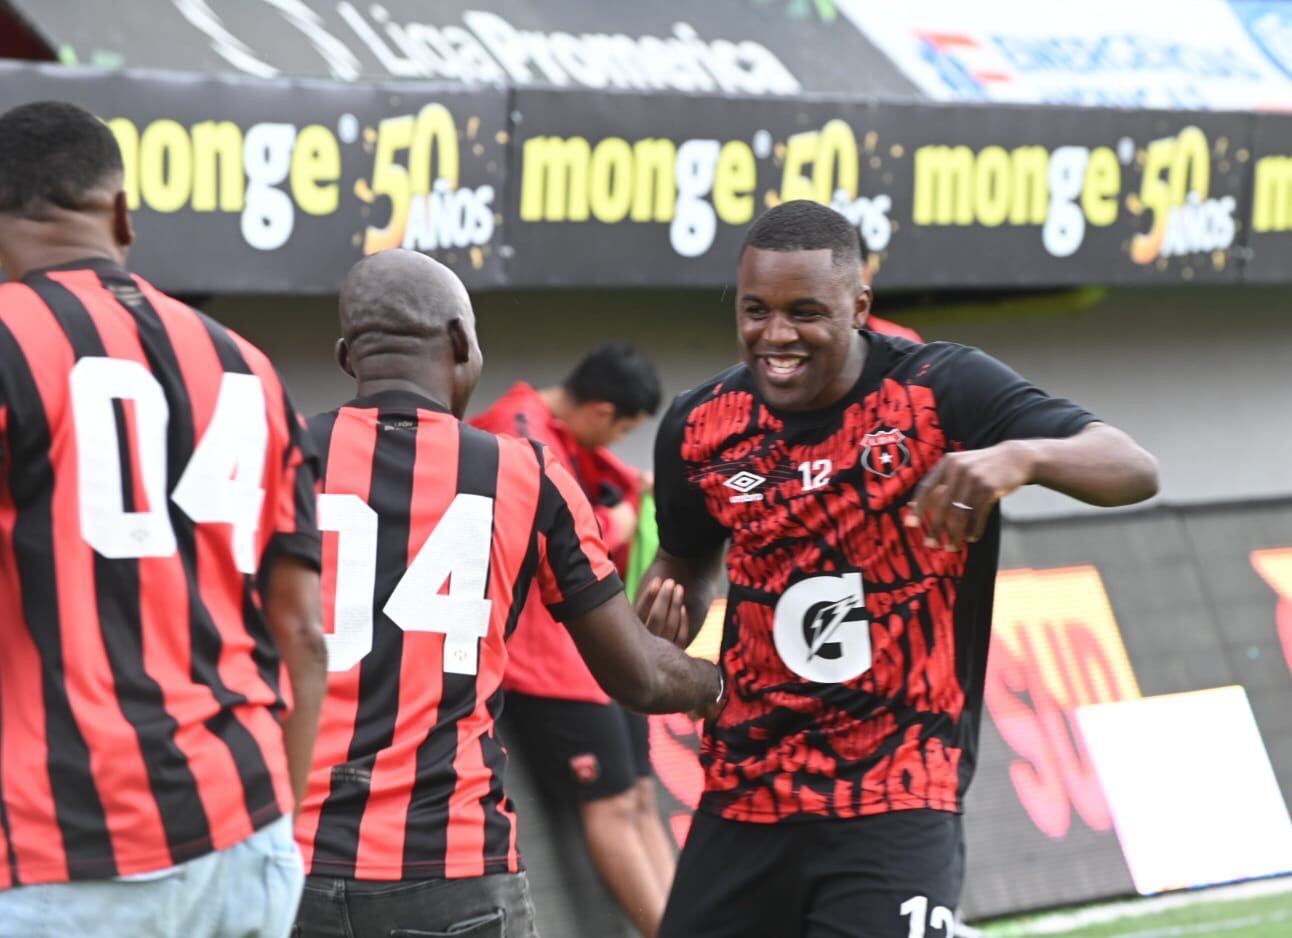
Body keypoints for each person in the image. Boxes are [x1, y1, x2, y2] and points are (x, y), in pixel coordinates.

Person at [639, 200, 1159, 938]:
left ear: (859, 306)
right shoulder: (700, 426)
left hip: (897, 786)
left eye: (804, 312)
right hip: (747, 790)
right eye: (755, 310)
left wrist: (1022, 455)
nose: (775, 335)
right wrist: (665, 623)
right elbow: (683, 563)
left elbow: (1134, 469)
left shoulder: (941, 389)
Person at [292, 249, 722, 938]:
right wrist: (718, 686)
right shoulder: (523, 473)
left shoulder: (280, 457)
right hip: (454, 871)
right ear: (463, 343)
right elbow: (640, 677)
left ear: (348, 357)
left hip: (289, 866)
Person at [0, 101, 327, 937]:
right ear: (120, 214)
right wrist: (277, 828)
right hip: (244, 830)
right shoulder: (247, 366)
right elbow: (305, 634)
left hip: (59, 850)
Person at [471, 345, 678, 938]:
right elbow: (552, 528)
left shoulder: (554, 434)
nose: (613, 443)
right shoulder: (516, 431)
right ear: (602, 409)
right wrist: (621, 521)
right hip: (546, 661)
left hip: (599, 650)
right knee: (612, 804)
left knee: (637, 796)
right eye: (621, 429)